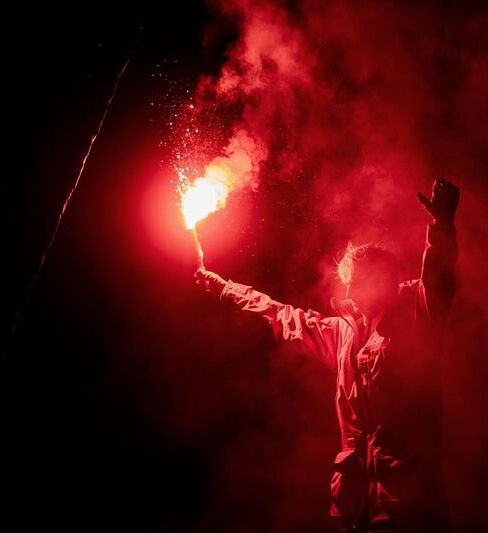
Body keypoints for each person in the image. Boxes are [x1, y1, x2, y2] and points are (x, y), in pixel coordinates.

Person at [195, 178, 459, 532]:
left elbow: (439, 278)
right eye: (348, 280)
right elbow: (278, 313)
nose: (349, 290)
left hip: (408, 506)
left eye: (359, 279)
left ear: (383, 278)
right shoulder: (341, 332)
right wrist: (220, 286)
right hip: (354, 510)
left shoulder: (418, 313)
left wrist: (440, 227)